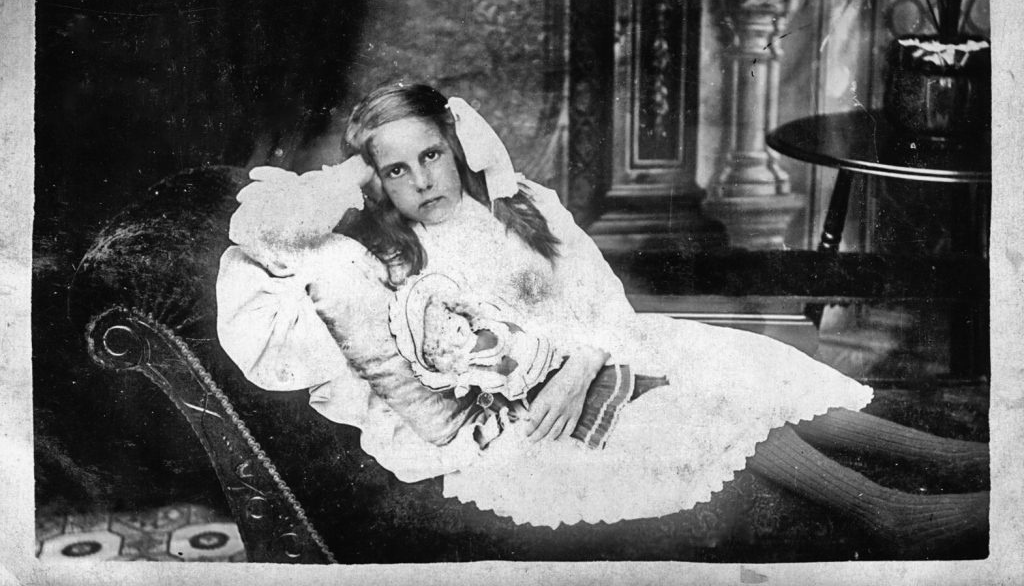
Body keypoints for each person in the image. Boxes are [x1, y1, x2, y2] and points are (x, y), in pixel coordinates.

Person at [217, 82, 989, 554]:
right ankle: (887, 514)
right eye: (395, 170)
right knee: (694, 405)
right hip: (514, 419)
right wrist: (349, 173)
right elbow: (257, 236)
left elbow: (597, 296)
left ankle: (952, 459)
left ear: (455, 146)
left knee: (730, 358)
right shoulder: (387, 257)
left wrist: (587, 356)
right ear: (376, 183)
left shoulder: (517, 207)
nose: (421, 180)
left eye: (431, 155)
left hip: (590, 359)